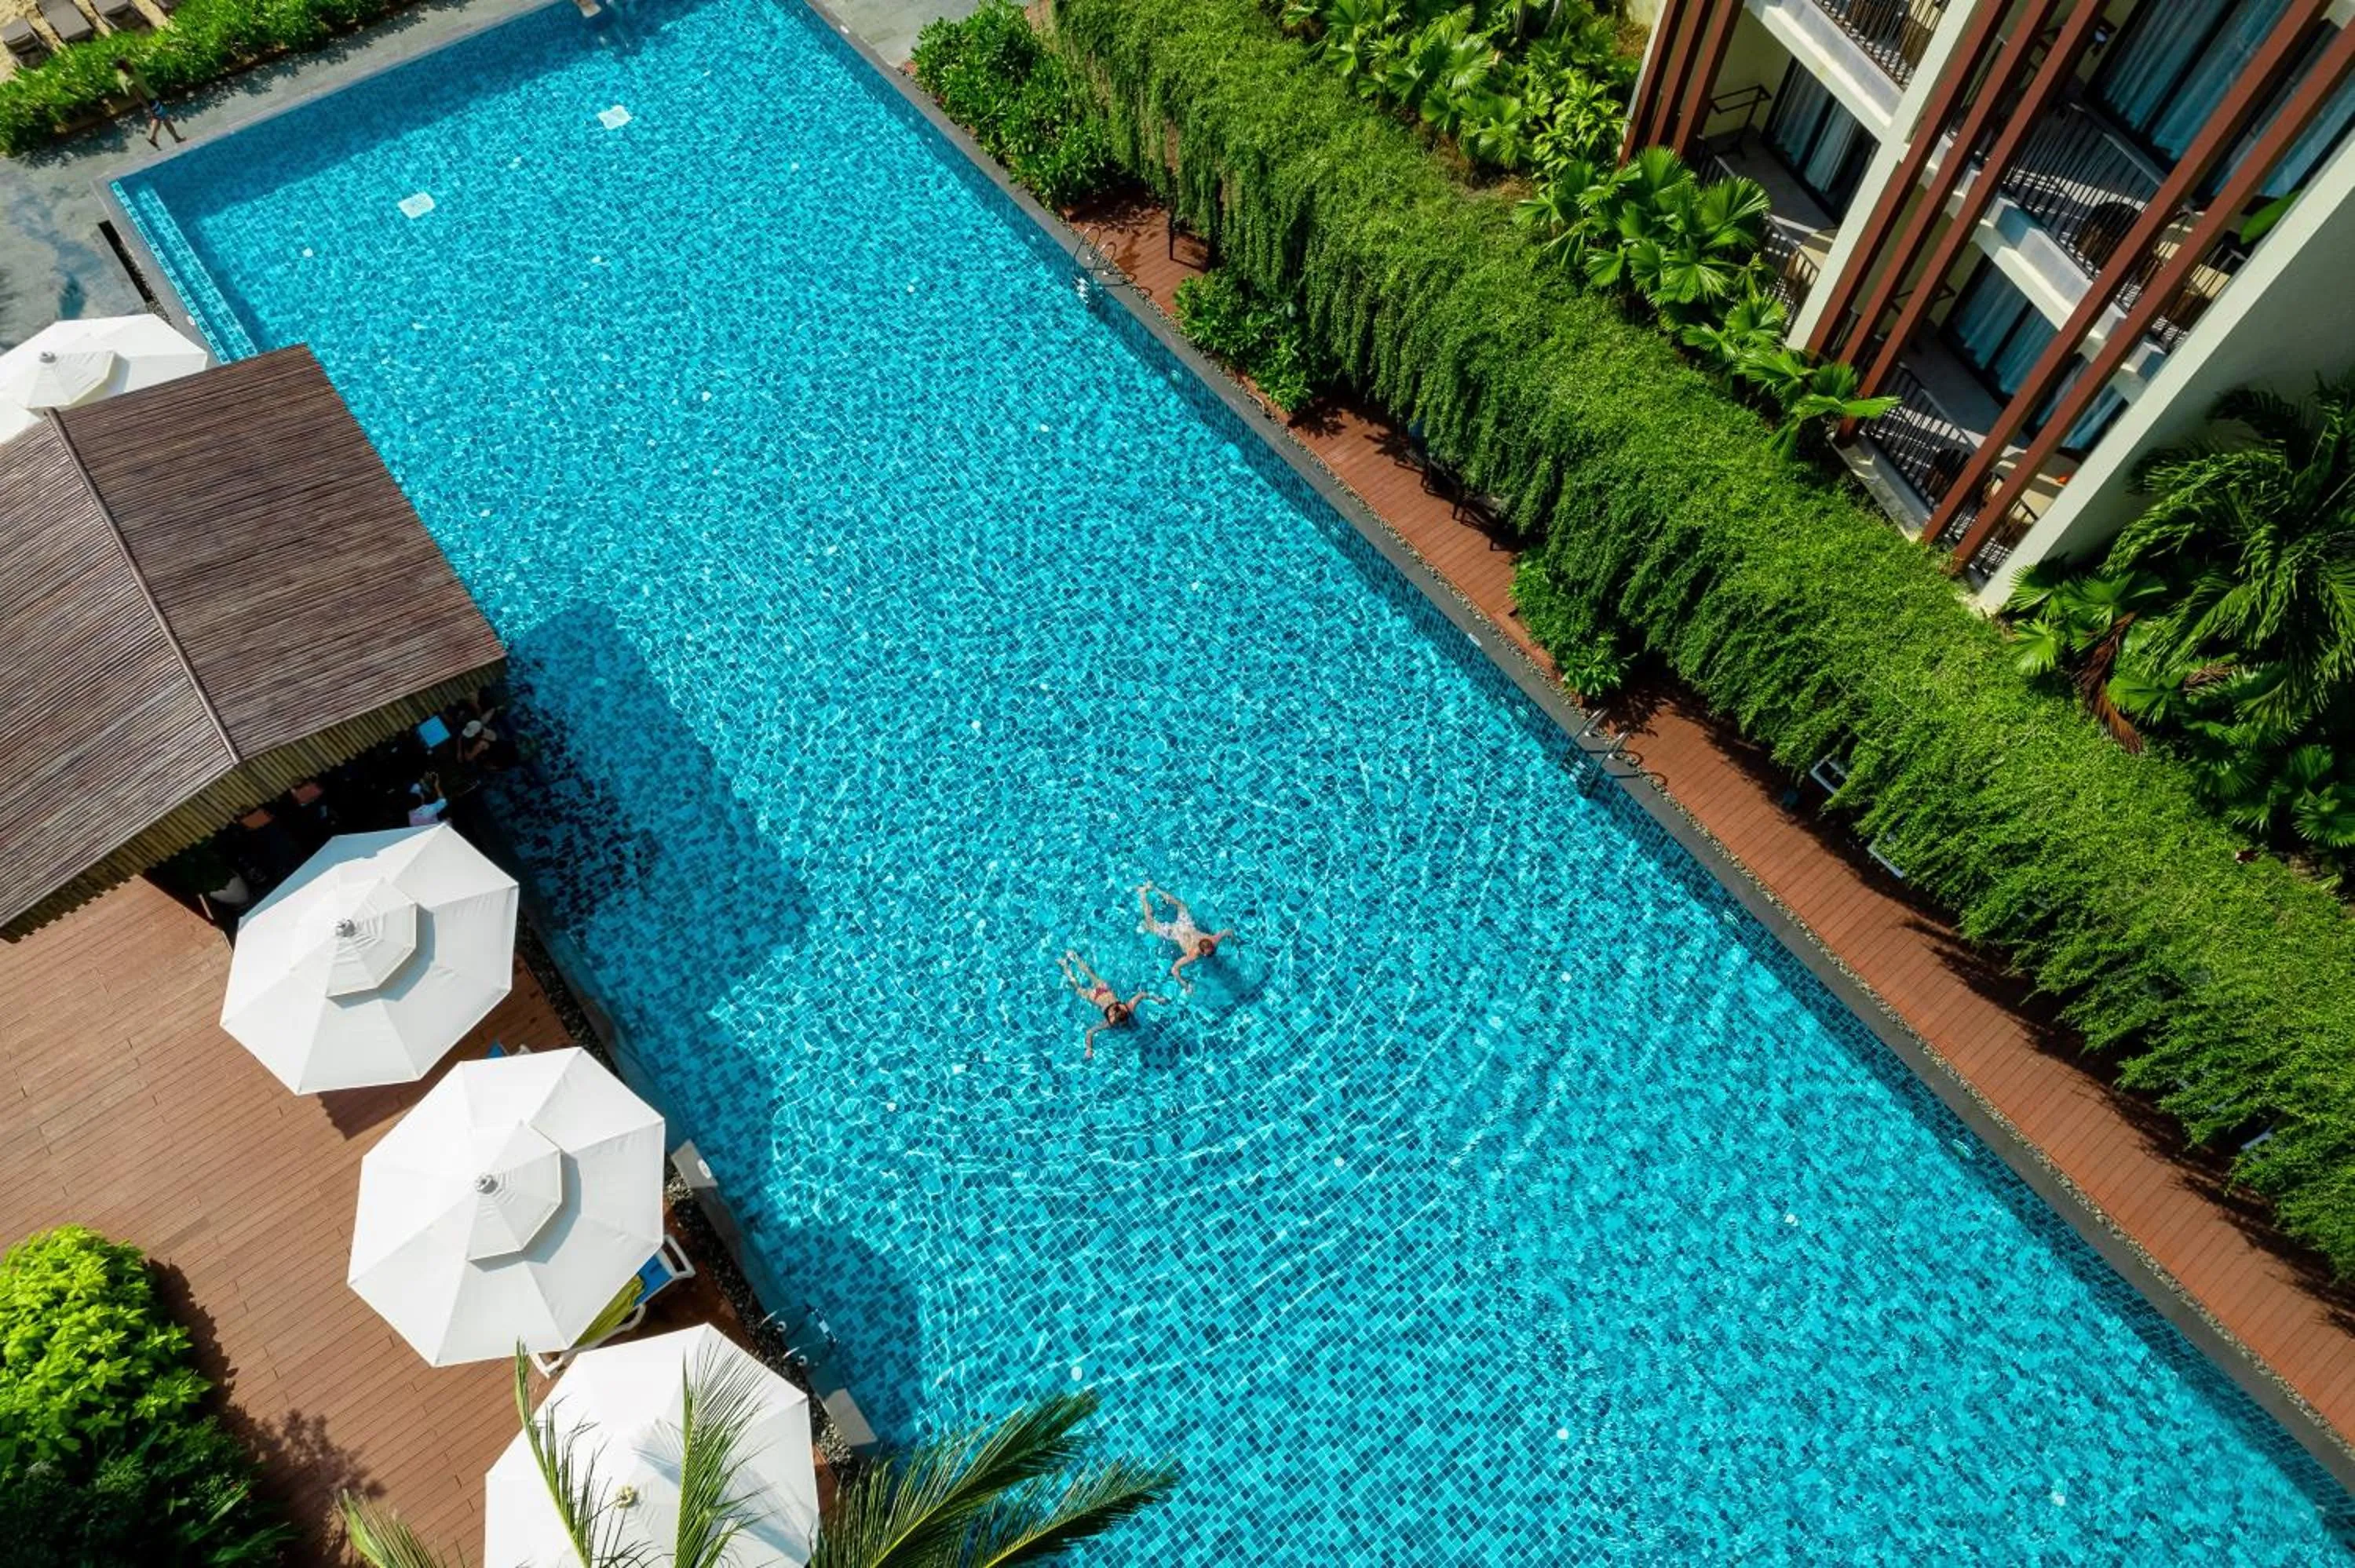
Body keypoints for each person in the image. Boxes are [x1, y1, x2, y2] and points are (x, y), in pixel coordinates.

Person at [1058, 950, 1161, 1059]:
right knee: (1077, 987)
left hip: (1104, 989)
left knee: (1089, 973)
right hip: (1094, 996)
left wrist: (1158, 999)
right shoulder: (1110, 1022)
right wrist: (1089, 1050)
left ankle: (1074, 957)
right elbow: (1089, 1032)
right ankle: (1064, 964)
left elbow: (1141, 995)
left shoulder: (1129, 1007)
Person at [1136, 881, 1235, 991]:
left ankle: (1155, 889)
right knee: (1150, 924)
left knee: (1180, 905)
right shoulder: (1194, 954)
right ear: (1203, 952)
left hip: (1186, 926)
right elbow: (1174, 969)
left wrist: (1233, 939)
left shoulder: (1214, 939)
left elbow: (1228, 931)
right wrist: (1185, 985)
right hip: (1175, 932)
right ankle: (1142, 894)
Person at [112, 59, 181, 148]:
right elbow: (139, 96)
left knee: (157, 119)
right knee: (164, 118)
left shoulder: (132, 71)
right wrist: (149, 109)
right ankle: (174, 138)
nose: (130, 63)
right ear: (124, 67)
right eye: (127, 63)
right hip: (149, 101)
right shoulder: (128, 80)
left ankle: (154, 138)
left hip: (151, 97)